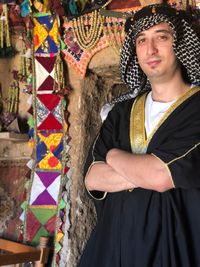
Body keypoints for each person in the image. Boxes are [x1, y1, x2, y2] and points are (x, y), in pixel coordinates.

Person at [78, 3, 200, 267]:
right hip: (113, 251)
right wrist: (144, 170)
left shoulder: (197, 108)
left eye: (161, 37)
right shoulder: (121, 112)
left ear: (180, 44)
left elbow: (159, 176)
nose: (151, 49)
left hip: (175, 253)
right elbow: (92, 178)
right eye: (142, 40)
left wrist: (112, 155)